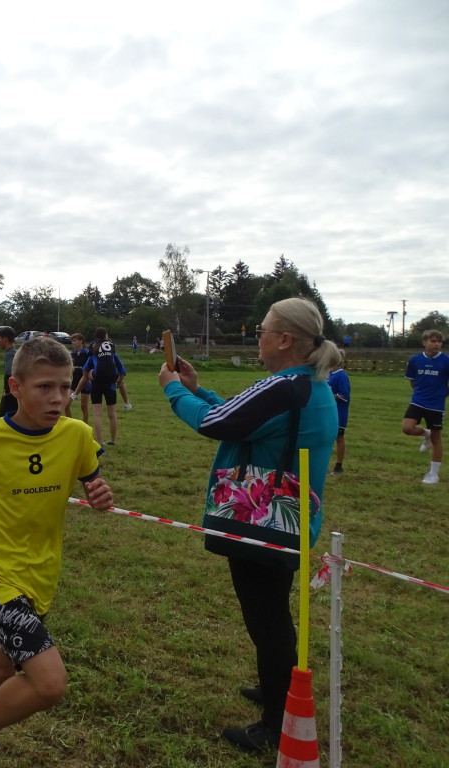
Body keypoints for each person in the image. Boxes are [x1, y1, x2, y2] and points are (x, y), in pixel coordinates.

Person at [158, 297, 340, 753]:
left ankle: (277, 721)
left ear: (284, 340)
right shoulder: (309, 385)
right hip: (289, 521)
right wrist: (198, 389)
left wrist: (174, 390)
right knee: (272, 614)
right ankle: (277, 686)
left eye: (262, 329)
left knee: (268, 620)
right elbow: (243, 419)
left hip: (261, 522)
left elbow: (217, 424)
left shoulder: (283, 386)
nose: (256, 336)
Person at [0, 337, 114, 767]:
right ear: (15, 387)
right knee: (49, 683)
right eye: (44, 387)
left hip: (41, 573)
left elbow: (93, 481)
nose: (58, 398)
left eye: (65, 387)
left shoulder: (78, 435)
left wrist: (100, 493)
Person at [403, 329, 449, 485]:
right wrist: (421, 393)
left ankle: (433, 474)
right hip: (417, 401)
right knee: (407, 428)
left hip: (436, 405)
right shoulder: (415, 360)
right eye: (433, 341)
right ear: (424, 342)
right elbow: (412, 381)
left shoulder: (446, 361)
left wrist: (442, 393)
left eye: (439, 341)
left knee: (437, 438)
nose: (436, 344)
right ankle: (425, 433)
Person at [73, 328, 123, 446]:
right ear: (106, 336)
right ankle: (112, 440)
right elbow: (121, 371)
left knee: (97, 414)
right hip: (110, 383)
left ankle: (99, 441)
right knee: (112, 414)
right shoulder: (112, 352)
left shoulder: (92, 353)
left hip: (96, 383)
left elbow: (85, 371)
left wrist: (90, 378)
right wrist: (119, 382)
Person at [327, 350, 351, 474]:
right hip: (329, 412)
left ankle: (338, 466)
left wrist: (328, 396)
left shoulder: (341, 375)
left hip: (339, 412)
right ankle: (324, 464)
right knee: (326, 438)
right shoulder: (329, 374)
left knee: (339, 438)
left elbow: (344, 395)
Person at [65, 333, 91, 423]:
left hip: (85, 383)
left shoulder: (87, 354)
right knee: (66, 405)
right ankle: (72, 424)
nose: (73, 342)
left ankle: (85, 426)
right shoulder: (72, 354)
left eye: (75, 340)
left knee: (83, 407)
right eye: (72, 340)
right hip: (74, 382)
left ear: (81, 341)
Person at [0, 327, 17, 417]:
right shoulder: (15, 352)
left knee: (3, 418)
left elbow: (9, 373)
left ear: (5, 339)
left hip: (11, 394)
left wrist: (7, 391)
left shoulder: (10, 354)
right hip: (16, 391)